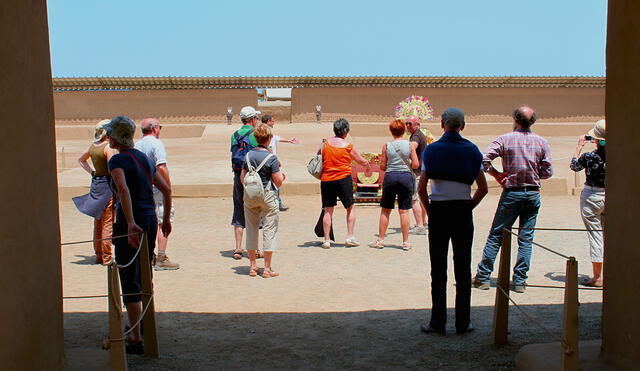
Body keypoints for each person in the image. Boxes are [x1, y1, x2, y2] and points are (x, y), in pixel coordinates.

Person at [104, 116, 172, 354]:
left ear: (115, 136)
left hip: (130, 223)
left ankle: (135, 337)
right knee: (145, 270)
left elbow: (123, 189)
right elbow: (166, 188)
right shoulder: (143, 158)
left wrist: (130, 222)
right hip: (150, 219)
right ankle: (143, 326)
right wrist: (165, 219)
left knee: (128, 274)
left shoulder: (117, 160)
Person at [418, 108, 488, 335]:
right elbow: (483, 189)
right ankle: (463, 322)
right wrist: (468, 207)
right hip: (462, 211)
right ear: (462, 126)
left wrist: (430, 211)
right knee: (463, 268)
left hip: (438, 210)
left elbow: (421, 189)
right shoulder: (472, 150)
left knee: (438, 269)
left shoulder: (431, 150)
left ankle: (437, 322)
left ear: (442, 124)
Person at [473, 106, 553, 293]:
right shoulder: (542, 142)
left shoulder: (504, 139)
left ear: (515, 119)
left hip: (512, 193)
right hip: (533, 193)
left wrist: (496, 174)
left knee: (496, 235)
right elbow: (548, 171)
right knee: (526, 238)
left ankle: (483, 277)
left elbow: (483, 159)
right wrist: (534, 173)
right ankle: (519, 281)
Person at [241, 124, 285, 278]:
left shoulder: (247, 156)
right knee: (270, 230)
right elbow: (278, 180)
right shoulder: (271, 157)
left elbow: (243, 178)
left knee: (251, 229)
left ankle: (252, 266)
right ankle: (267, 268)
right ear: (269, 138)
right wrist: (282, 177)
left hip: (251, 196)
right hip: (268, 195)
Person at [134, 118, 179, 270]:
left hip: (142, 188)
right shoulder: (156, 143)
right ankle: (161, 256)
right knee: (162, 221)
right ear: (154, 128)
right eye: (159, 127)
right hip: (157, 188)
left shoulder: (137, 145)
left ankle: (148, 254)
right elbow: (161, 166)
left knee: (147, 220)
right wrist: (167, 186)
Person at [368, 119, 419, 250]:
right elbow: (415, 164)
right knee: (404, 211)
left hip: (391, 176)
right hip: (405, 177)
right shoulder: (410, 145)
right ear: (403, 130)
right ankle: (406, 242)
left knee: (386, 209)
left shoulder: (387, 145)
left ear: (392, 131)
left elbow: (383, 166)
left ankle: (381, 239)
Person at [320, 118, 370, 249]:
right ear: (346, 131)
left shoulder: (325, 144)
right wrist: (367, 164)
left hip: (327, 179)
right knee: (350, 207)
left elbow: (319, 156)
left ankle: (326, 240)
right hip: (343, 179)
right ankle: (350, 236)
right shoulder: (348, 146)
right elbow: (360, 160)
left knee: (328, 210)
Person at [73, 120, 116, 265]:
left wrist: (92, 172)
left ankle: (98, 254)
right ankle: (106, 256)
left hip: (96, 185)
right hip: (107, 186)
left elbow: (81, 160)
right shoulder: (107, 148)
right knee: (107, 223)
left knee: (98, 221)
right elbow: (112, 167)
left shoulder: (92, 147)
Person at [570, 119, 606, 287]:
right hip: (610, 195)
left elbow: (574, 166)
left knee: (595, 236)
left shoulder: (590, 156)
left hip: (592, 196)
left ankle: (598, 276)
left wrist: (579, 147)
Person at [230, 106, 260, 260]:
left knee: (238, 209)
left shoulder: (234, 135)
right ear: (252, 119)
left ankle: (238, 248)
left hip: (237, 176)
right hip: (253, 177)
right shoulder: (256, 134)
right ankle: (254, 248)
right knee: (254, 210)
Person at [262, 114, 299, 211]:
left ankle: (274, 202)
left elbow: (276, 138)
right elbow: (269, 147)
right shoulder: (266, 132)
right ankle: (277, 203)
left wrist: (289, 140)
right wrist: (276, 160)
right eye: (273, 121)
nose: (274, 123)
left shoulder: (263, 131)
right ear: (268, 121)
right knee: (276, 181)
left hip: (266, 160)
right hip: (270, 161)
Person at [406, 115, 429, 235]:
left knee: (414, 199)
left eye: (411, 123)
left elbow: (412, 146)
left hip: (418, 172)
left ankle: (420, 225)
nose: (408, 126)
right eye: (407, 123)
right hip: (423, 171)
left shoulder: (416, 136)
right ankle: (423, 222)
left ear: (417, 125)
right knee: (421, 199)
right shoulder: (419, 134)